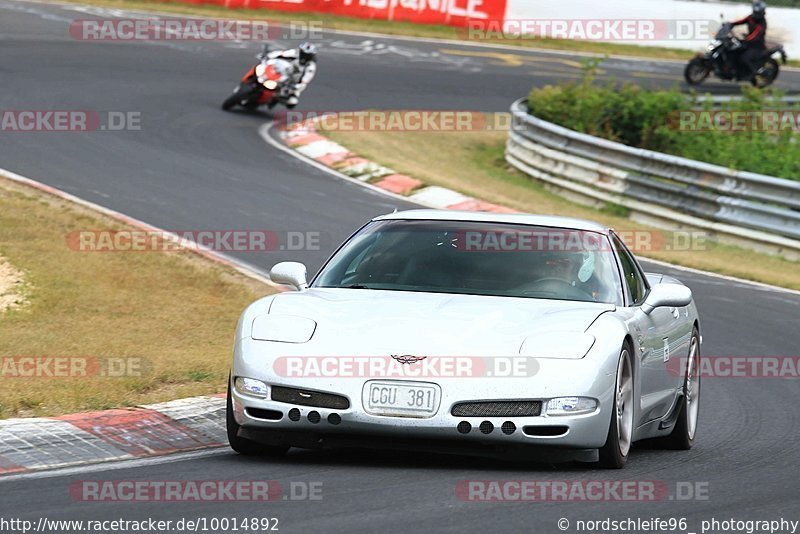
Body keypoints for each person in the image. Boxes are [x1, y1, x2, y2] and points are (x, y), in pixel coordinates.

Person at [260, 42, 318, 108]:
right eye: (303, 53)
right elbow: (282, 53)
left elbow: (305, 80)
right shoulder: (295, 53)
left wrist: (297, 86)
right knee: (266, 68)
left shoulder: (310, 67)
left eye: (307, 55)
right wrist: (268, 56)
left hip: (293, 82)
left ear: (311, 56)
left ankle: (275, 99)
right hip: (284, 71)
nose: (304, 56)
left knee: (292, 102)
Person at [729, 1, 767, 79]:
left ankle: (755, 71)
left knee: (745, 58)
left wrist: (746, 40)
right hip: (748, 42)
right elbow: (741, 21)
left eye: (758, 12)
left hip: (756, 45)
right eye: (755, 11)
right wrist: (730, 24)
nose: (756, 13)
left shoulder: (762, 23)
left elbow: (756, 34)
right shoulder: (751, 18)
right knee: (732, 51)